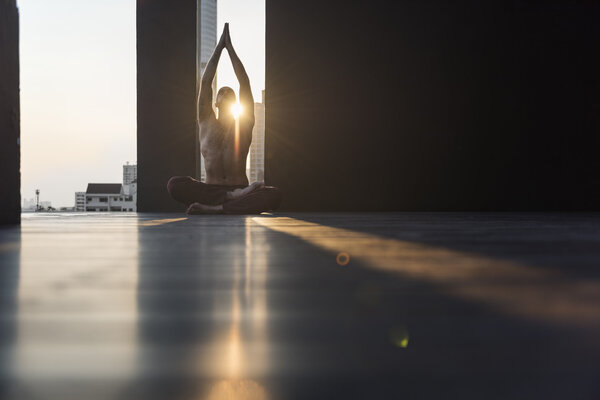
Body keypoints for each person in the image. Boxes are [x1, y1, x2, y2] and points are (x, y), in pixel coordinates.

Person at [167, 23, 281, 214]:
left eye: (231, 93)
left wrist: (231, 49)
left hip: (240, 190)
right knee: (174, 184)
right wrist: (219, 48)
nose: (227, 93)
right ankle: (228, 201)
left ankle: (217, 208)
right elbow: (205, 82)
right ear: (216, 102)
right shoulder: (205, 121)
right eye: (222, 92)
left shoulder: (243, 126)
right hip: (212, 191)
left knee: (274, 194)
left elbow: (244, 82)